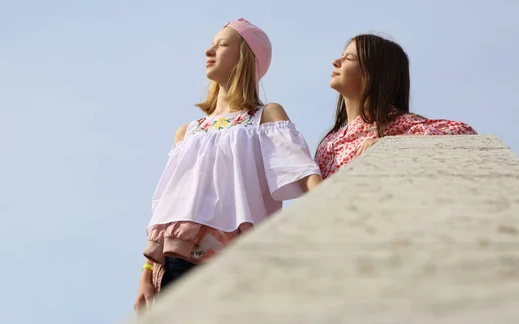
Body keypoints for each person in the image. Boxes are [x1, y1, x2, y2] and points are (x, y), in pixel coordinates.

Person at [134, 18, 322, 312]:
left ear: (245, 57)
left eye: (222, 45)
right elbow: (164, 209)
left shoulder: (264, 117)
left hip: (237, 257)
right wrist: (146, 275)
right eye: (210, 46)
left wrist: (332, 203)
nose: (209, 52)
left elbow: (300, 168)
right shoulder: (188, 132)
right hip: (177, 260)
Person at [315, 34, 476, 179]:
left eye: (349, 58)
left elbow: (465, 134)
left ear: (373, 73)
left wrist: (392, 143)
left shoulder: (392, 123)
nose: (336, 62)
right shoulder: (328, 143)